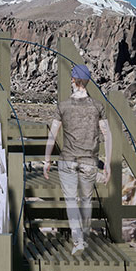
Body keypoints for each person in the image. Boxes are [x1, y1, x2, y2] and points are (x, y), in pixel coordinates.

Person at [43, 64, 113, 254]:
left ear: (74, 80)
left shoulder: (63, 106)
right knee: (87, 200)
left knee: (71, 201)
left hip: (67, 160)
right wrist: (106, 163)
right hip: (90, 161)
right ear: (87, 82)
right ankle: (85, 234)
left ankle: (78, 241)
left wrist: (47, 160)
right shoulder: (98, 106)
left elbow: (52, 135)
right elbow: (107, 135)